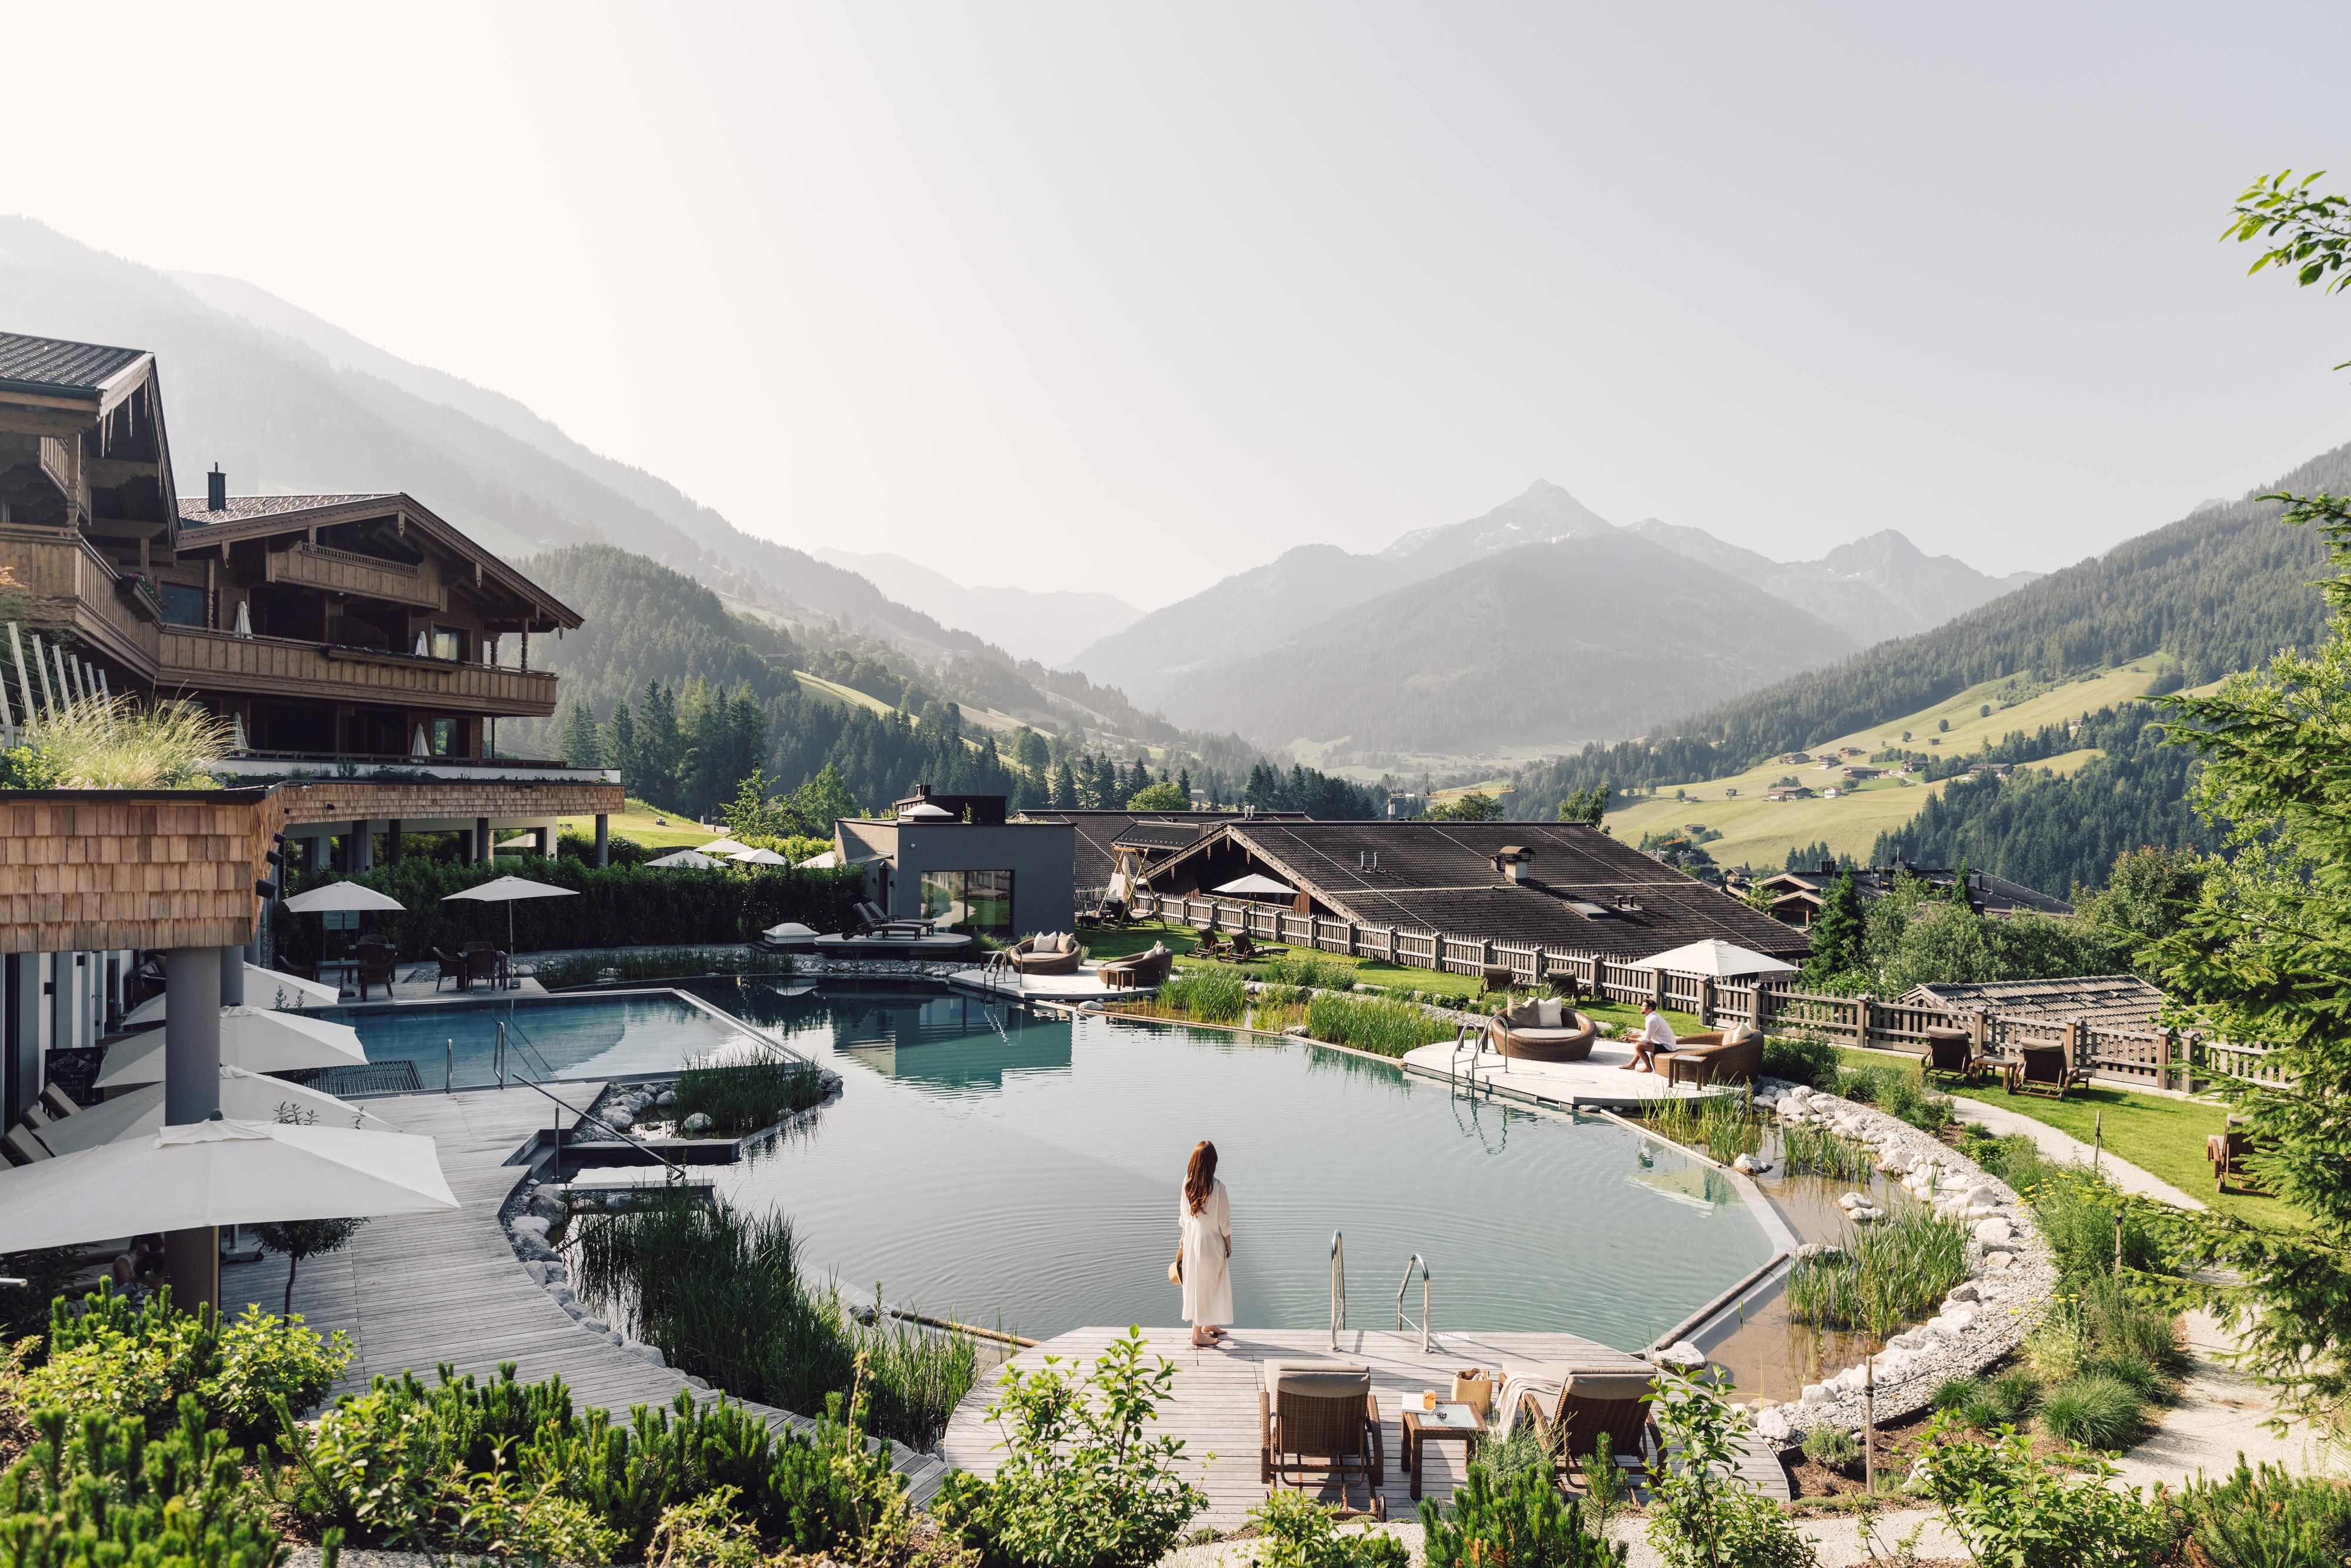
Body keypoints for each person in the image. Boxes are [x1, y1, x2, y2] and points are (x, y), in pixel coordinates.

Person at [1178, 1140, 1233, 1348]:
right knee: (1207, 1285)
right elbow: (1223, 1221)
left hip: (1192, 1240)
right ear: (1212, 1163)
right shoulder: (1217, 1187)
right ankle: (1197, 1334)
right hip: (1210, 1243)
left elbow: (1184, 1216)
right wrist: (1228, 1243)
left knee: (1200, 1283)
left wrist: (1183, 1239)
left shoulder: (1187, 1183)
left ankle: (1208, 1324)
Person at [1625, 1001, 1676, 1072]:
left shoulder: (1652, 1020)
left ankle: (1648, 1068)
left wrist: (1630, 1039)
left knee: (1639, 1046)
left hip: (1667, 1047)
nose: (1641, 1008)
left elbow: (1646, 1039)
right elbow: (1647, 1033)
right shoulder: (1653, 1017)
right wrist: (1632, 1036)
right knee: (1640, 1045)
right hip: (1665, 1044)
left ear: (1650, 1008)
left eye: (1643, 1006)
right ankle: (1632, 1065)